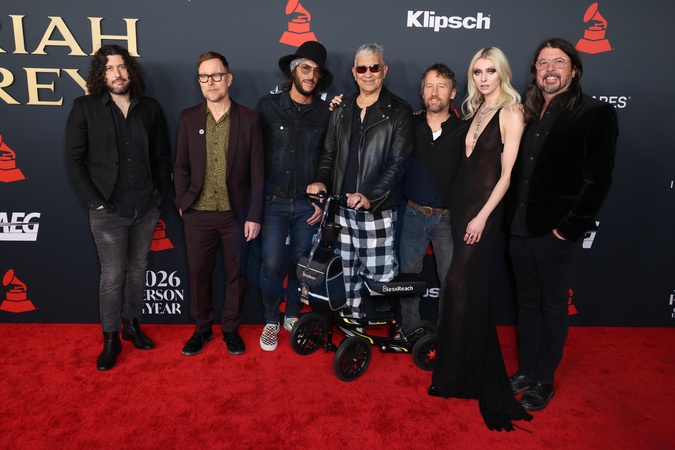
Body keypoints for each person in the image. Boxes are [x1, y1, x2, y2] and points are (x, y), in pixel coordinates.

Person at [508, 38, 618, 411]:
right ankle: (526, 371)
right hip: (519, 228)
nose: (550, 69)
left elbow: (598, 181)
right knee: (526, 304)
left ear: (573, 69)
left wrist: (567, 229)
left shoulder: (594, 113)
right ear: (535, 71)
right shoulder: (526, 113)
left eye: (558, 61)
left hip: (554, 234)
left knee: (552, 307)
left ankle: (543, 380)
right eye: (543, 62)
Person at [428, 47, 532, 432]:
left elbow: (506, 176)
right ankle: (459, 369)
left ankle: (463, 373)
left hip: (483, 212)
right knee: (465, 289)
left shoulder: (511, 112)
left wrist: (483, 217)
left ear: (502, 73)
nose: (484, 78)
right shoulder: (474, 112)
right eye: (477, 72)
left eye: (490, 71)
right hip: (460, 208)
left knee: (457, 281)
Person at [65, 44, 171, 371]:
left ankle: (132, 325)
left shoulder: (150, 108)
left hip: (146, 206)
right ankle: (111, 337)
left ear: (130, 70)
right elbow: (74, 160)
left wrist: (159, 195)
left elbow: (162, 156)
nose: (117, 73)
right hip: (108, 209)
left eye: (122, 66)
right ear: (101, 74)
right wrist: (95, 202)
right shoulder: (85, 107)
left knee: (138, 269)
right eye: (109, 68)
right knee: (112, 276)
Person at [307, 43, 413, 318]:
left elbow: (398, 163)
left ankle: (381, 327)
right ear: (354, 73)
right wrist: (320, 181)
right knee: (346, 274)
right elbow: (329, 153)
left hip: (376, 210)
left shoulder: (399, 110)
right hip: (341, 209)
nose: (368, 73)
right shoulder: (342, 109)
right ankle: (352, 325)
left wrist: (371, 197)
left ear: (384, 70)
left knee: (379, 276)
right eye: (362, 68)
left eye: (374, 67)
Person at [174, 51, 264, 356]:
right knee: (198, 273)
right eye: (204, 76)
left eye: (216, 75)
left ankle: (230, 330)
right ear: (199, 81)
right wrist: (183, 202)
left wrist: (254, 215)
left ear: (229, 78)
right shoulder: (188, 117)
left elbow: (258, 173)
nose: (210, 82)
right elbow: (180, 166)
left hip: (235, 214)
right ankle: (202, 329)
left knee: (236, 275)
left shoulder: (249, 119)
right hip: (197, 213)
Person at [255, 41, 332, 351]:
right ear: (293, 70)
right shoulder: (267, 106)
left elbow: (328, 157)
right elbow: (255, 157)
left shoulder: (325, 113)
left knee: (301, 265)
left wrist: (321, 195)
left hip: (306, 205)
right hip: (272, 201)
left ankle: (292, 313)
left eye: (316, 71)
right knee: (272, 264)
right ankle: (271, 320)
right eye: (305, 68)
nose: (310, 75)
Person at [398, 63, 466, 329]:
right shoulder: (409, 123)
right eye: (429, 86)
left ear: (453, 93)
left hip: (447, 219)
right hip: (412, 214)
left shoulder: (465, 130)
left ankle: (447, 334)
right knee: (407, 278)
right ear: (422, 92)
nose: (434, 92)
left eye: (441, 86)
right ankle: (410, 331)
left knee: (449, 280)